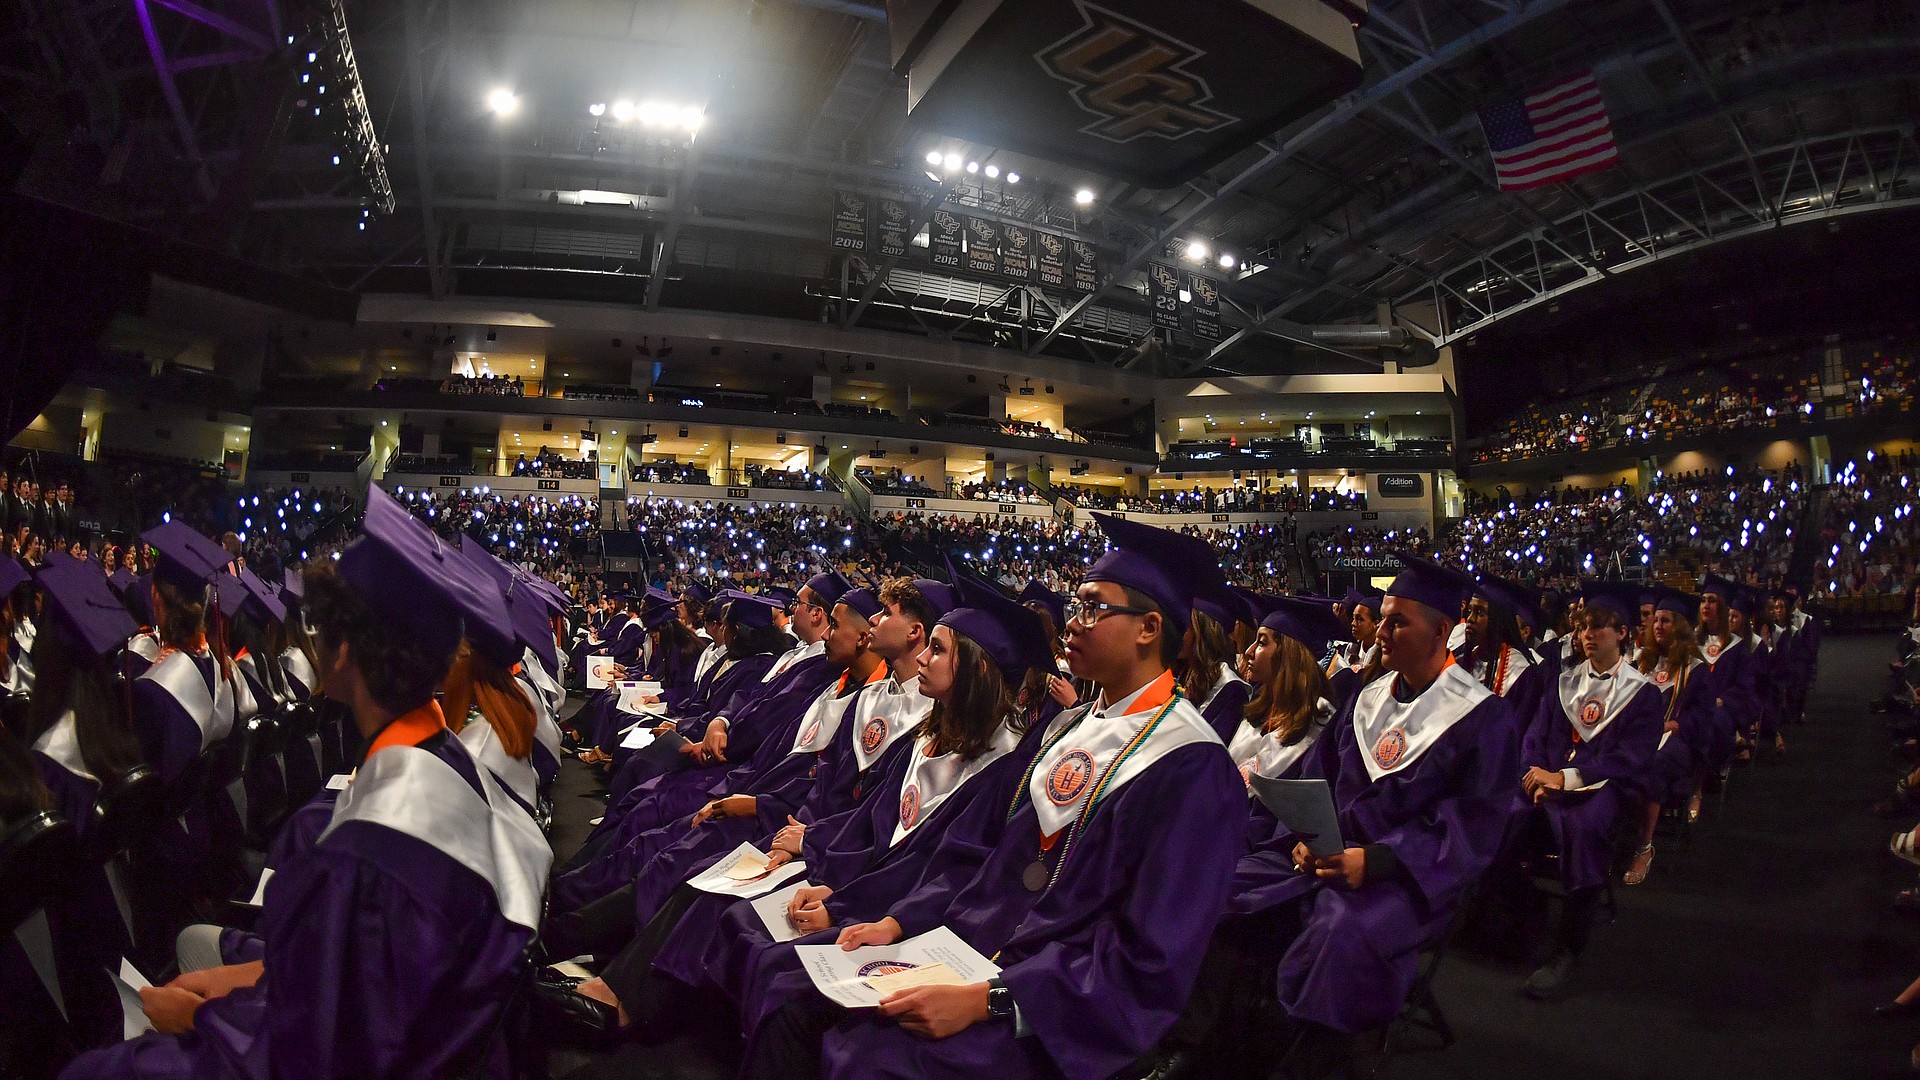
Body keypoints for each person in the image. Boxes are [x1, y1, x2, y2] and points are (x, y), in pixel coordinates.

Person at [59, 483, 551, 1080]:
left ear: (344, 654)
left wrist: (194, 1021)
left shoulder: (372, 854)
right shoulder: (447, 758)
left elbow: (303, 1054)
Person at [755, 515, 1244, 1080]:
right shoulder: (1066, 730)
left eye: (1091, 607)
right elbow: (985, 865)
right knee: (795, 996)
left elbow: (1146, 961)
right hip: (972, 951)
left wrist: (994, 998)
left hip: (1058, 1007)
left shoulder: (1192, 765)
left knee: (868, 1059)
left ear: (1149, 627)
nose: (1073, 624)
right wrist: (899, 923)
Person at [1244, 553, 1519, 1074]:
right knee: (1229, 887)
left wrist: (1375, 861)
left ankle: (1318, 1060)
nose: (1382, 631)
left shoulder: (1482, 717)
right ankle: (1232, 1038)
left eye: (1397, 622)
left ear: (1442, 631)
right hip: (1323, 857)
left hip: (1407, 878)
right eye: (1384, 619)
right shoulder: (1367, 699)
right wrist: (1302, 834)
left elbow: (1470, 830)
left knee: (1338, 935)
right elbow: (1315, 780)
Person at [1505, 582, 1661, 1000]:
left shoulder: (1643, 695)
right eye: (1583, 627)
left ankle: (1567, 948)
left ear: (1623, 633)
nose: (1587, 634)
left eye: (1599, 627)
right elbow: (1534, 738)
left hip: (1602, 790)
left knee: (1585, 826)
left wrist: (1566, 779)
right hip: (1550, 784)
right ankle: (1505, 921)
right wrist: (1534, 776)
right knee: (1505, 812)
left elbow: (1630, 759)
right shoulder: (1564, 683)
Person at [1626, 587, 1713, 884]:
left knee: (1654, 765)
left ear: (1680, 627)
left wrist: (1673, 725)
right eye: (1657, 620)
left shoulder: (1695, 668)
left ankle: (1644, 846)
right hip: (1640, 735)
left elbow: (1702, 716)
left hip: (1677, 741)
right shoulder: (1641, 662)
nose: (1659, 626)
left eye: (1666, 620)